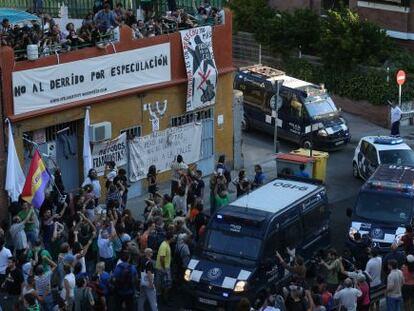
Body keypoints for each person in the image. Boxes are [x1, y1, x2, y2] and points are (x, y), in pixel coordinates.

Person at [155, 231, 173, 304]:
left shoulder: (166, 244)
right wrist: (164, 268)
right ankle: (165, 300)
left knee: (163, 284)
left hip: (164, 267)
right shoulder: (164, 245)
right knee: (167, 285)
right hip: (163, 268)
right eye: (173, 238)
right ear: (170, 238)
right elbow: (162, 258)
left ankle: (163, 298)